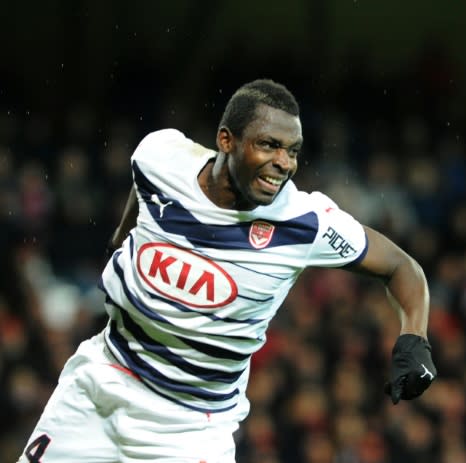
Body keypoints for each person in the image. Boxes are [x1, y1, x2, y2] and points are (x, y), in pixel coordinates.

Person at [18, 79, 436, 462]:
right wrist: (119, 243)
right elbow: (142, 186)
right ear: (226, 140)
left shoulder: (307, 222)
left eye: (292, 151)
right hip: (100, 383)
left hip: (189, 430)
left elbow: (402, 266)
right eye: (269, 145)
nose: (284, 163)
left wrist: (413, 339)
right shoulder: (162, 155)